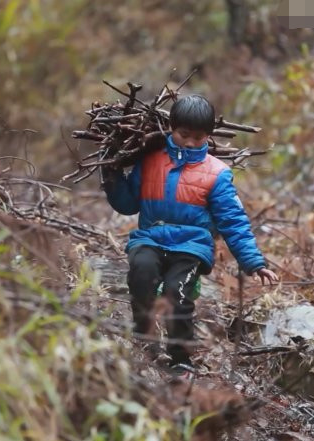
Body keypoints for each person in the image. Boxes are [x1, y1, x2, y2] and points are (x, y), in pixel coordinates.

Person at [101, 94, 279, 373]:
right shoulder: (149, 161)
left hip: (190, 247)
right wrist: (111, 177)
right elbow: (127, 204)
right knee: (141, 274)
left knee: (177, 294)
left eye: (199, 137)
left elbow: (233, 221)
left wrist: (254, 262)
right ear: (171, 128)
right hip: (150, 237)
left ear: (208, 136)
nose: (190, 142)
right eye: (184, 134)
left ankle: (181, 359)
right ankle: (145, 338)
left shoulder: (217, 174)